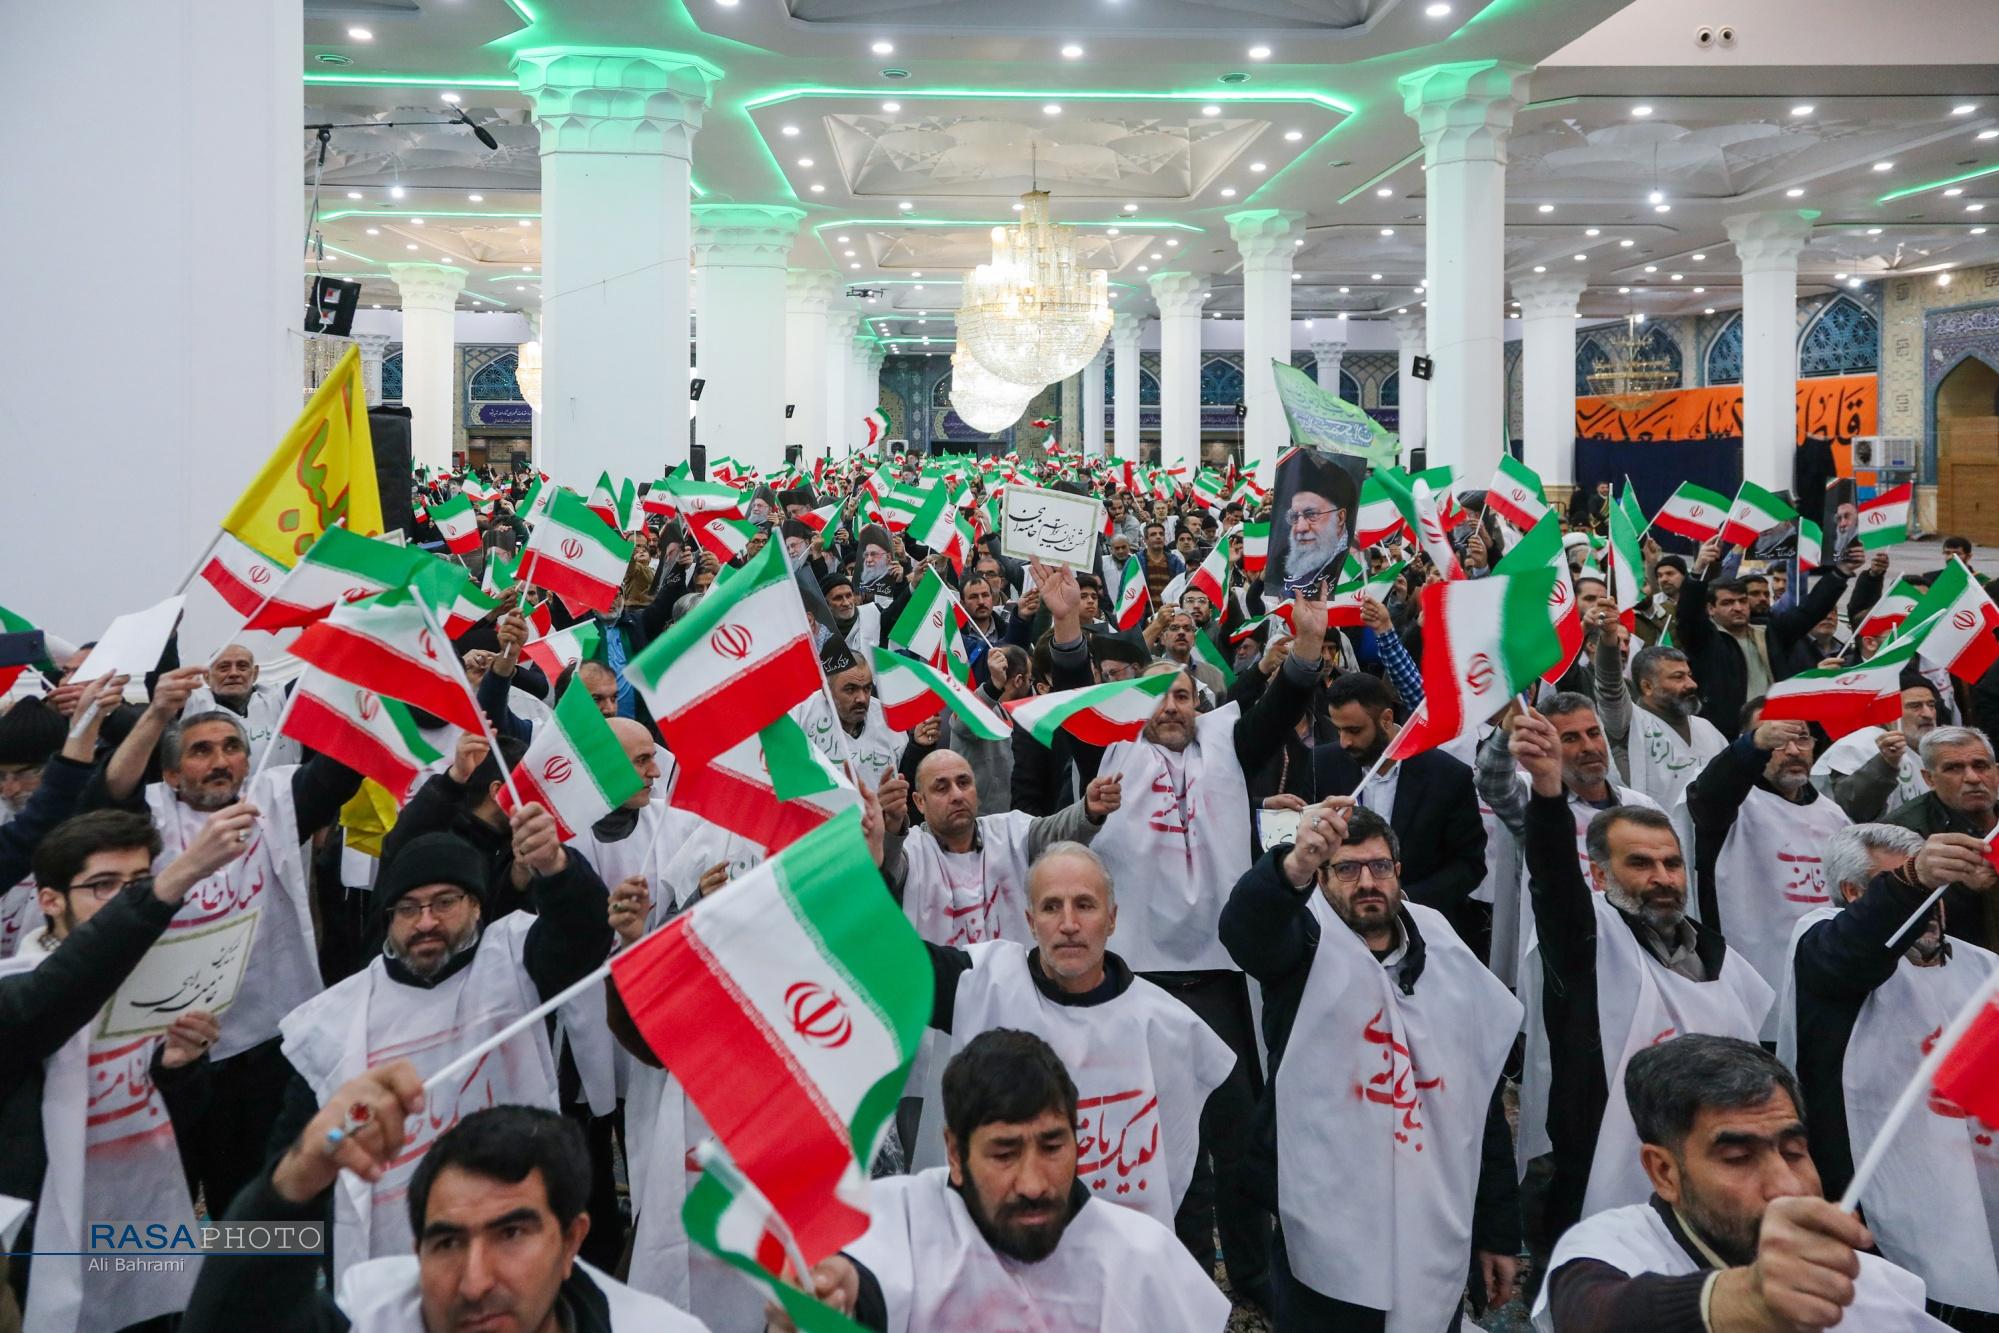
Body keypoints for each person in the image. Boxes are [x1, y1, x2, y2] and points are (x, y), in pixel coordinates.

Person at [1051, 567, 1333, 1313]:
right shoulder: (1110, 749)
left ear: (1197, 701)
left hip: (1218, 976)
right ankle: (1176, 1280)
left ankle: (1252, 1279)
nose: (1170, 707)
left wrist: (1307, 646)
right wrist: (1066, 626)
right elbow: (1074, 691)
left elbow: (1279, 707)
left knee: (1237, 1139)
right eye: (1156, 696)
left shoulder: (1225, 743)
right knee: (1157, 1138)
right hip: (1135, 976)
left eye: (1180, 695)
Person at [269, 808, 614, 1279]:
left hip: (513, 1247)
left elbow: (583, 934)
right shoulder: (331, 1021)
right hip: (391, 1273)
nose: (425, 922)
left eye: (444, 902)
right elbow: (292, 1167)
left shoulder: (513, 960)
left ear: (476, 906)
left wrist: (556, 867)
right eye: (408, 908)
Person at [1222, 802, 1521, 1332]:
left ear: (1397, 872)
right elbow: (1246, 931)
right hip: (1326, 1226)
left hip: (1433, 1214)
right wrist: (1294, 863)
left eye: (1379, 867)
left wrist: (1497, 1231)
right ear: (1322, 879)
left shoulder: (1446, 955)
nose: (1366, 882)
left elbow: (1479, 1101)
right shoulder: (1303, 943)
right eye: (1346, 869)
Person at [82, 663, 365, 1222]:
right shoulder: (143, 819)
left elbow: (340, 770)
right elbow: (105, 794)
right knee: (164, 1202)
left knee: (255, 1203)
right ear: (170, 773)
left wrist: (362, 674)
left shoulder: (273, 802)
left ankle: (247, 1277)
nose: (220, 761)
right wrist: (158, 713)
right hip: (168, 1049)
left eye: (232, 747)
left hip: (263, 1044)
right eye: (202, 751)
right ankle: (177, 1281)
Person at [1512, 709, 1773, 1239]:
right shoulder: (1586, 941)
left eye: (1671, 864)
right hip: (1602, 1171)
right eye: (1640, 864)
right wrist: (1547, 791)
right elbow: (1554, 881)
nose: (1662, 878)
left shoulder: (1716, 954)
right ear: (1600, 873)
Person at [184, 1067, 702, 1331]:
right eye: (447, 1243)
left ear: (571, 1241)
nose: (474, 1284)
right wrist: (292, 1185)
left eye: (511, 1234)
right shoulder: (373, 1313)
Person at [782, 1029, 1230, 1332]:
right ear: (955, 1153)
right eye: (1004, 1154)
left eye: (1052, 1147)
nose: (1033, 1184)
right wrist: (840, 1297)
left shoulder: (1143, 1257)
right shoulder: (901, 1219)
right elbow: (865, 1280)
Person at [1, 805, 255, 1333]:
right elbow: (63, 989)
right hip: (44, 1245)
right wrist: (172, 882)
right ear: (50, 900)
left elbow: (172, 1124)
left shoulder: (160, 980)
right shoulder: (17, 990)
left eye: (137, 883)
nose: (124, 899)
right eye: (104, 885)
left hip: (140, 1231)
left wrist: (178, 1069)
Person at [906, 837, 1235, 1236]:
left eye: (1084, 905)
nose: (1068, 924)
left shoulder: (1165, 1025)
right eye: (1051, 907)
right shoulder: (983, 984)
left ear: (1112, 918)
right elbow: (886, 961)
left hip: (1124, 1256)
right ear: (1030, 922)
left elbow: (1184, 1176)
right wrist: (866, 870)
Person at [1534, 1035, 1949, 1330]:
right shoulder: (1614, 1247)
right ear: (1664, 1172)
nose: (1786, 1187)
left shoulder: (1868, 1285)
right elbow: (1595, 1313)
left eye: (1794, 1151)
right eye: (1738, 1158)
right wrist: (1746, 1299)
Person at [1779, 823, 1999, 1323]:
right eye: (1901, 883)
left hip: (1974, 1185)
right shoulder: (1820, 941)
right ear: (1854, 893)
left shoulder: (1983, 967)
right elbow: (1848, 955)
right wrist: (1912, 881)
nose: (1930, 902)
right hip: (1876, 1203)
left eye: (1936, 889)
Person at [1684, 713, 1853, 1016]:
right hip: (1751, 980)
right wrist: (1753, 746)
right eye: (1778, 740)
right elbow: (1711, 792)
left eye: (1802, 738)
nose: (1793, 750)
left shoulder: (1833, 815)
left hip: (1821, 982)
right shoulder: (1731, 804)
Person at [1310, 671, 1488, 946]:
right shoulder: (1321, 764)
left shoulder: (1447, 776)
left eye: (1355, 731)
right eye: (1339, 730)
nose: (1344, 742)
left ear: (1386, 719)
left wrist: (1402, 900)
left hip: (1424, 935)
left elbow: (1469, 864)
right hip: (1339, 933)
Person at [885, 746, 1117, 948]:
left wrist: (1088, 809)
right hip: (943, 983)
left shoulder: (1010, 830)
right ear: (919, 801)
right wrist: (890, 828)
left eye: (963, 783)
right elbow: (885, 870)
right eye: (941, 788)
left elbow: (1056, 832)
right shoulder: (910, 850)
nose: (957, 795)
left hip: (1015, 980)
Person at [1674, 538, 1859, 738]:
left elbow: (1810, 610)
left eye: (1742, 601)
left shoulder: (1769, 632)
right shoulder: (1704, 639)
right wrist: (1697, 571)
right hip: (1728, 735)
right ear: (1711, 608)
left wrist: (1841, 572)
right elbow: (1688, 615)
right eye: (1728, 603)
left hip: (1779, 728)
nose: (1738, 607)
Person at [1884, 725, 1999, 953]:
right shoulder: (1902, 832)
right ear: (1929, 779)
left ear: (1996, 771)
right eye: (1953, 768)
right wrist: (1966, 886)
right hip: (1953, 961)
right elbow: (1892, 913)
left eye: (1980, 765)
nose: (1972, 778)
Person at [1600, 641, 1729, 815]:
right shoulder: (1629, 724)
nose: (1692, 684)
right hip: (1654, 829)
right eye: (1678, 677)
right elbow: (1609, 690)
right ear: (1647, 686)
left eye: (1689, 675)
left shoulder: (1707, 728)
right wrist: (1608, 638)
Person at [1811, 675, 1937, 822]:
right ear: (1888, 710)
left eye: (1931, 705)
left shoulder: (1928, 752)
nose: (1928, 714)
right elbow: (1854, 808)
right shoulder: (1861, 744)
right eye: (1915, 706)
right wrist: (1885, 764)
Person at [792, 636, 905, 792]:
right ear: (827, 691)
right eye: (850, 689)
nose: (862, 698)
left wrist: (918, 747)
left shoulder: (888, 720)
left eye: (867, 688)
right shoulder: (801, 716)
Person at [185, 642, 299, 766]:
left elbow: (312, 677)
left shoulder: (280, 697)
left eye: (242, 667)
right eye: (224, 668)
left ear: (255, 673)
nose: (234, 673)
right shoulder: (192, 703)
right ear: (207, 676)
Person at [1274, 451, 1354, 599]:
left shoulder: (1353, 566)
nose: (1300, 528)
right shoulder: (1278, 561)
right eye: (1295, 516)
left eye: (1311, 515)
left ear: (1340, 518)